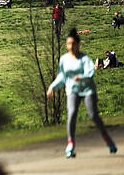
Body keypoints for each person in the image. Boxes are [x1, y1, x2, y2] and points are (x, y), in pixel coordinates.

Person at [47, 28, 117, 158]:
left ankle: (108, 139)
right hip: (73, 90)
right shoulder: (64, 59)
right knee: (72, 114)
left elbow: (90, 72)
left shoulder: (84, 58)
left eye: (73, 43)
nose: (71, 46)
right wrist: (52, 87)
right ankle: (70, 144)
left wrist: (81, 77)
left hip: (87, 90)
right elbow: (62, 76)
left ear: (78, 45)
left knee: (93, 115)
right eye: (69, 44)